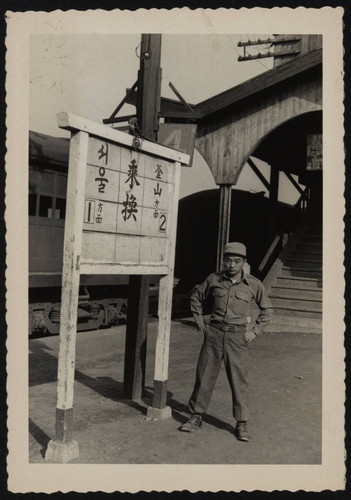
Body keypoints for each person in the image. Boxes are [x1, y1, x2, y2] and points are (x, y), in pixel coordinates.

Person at [179, 242, 273, 441]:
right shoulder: (213, 279)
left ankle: (241, 423)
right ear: (224, 260)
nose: (232, 265)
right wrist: (201, 324)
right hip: (213, 335)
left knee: (239, 381)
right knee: (204, 376)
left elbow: (267, 310)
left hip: (237, 338)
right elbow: (196, 298)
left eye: (237, 261)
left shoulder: (253, 284)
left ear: (244, 263)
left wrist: (255, 331)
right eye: (229, 260)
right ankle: (196, 416)